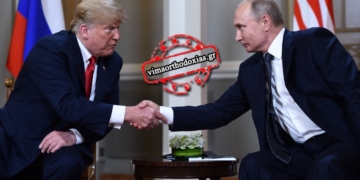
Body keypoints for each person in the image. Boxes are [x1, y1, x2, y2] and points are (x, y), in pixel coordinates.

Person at [138, 0, 360, 179]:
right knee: (254, 164)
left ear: (265, 21)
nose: (237, 37)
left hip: (340, 143)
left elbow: (353, 92)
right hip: (299, 152)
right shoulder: (251, 69)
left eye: (241, 27)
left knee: (326, 166)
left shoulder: (313, 42)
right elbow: (218, 112)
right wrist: (162, 112)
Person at [0, 0, 165, 179]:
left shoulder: (112, 62)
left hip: (63, 145)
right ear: (85, 31)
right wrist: (129, 113)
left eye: (118, 28)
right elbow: (68, 105)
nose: (117, 36)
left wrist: (74, 136)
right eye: (110, 29)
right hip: (18, 141)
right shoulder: (51, 49)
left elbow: (106, 116)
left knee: (68, 163)